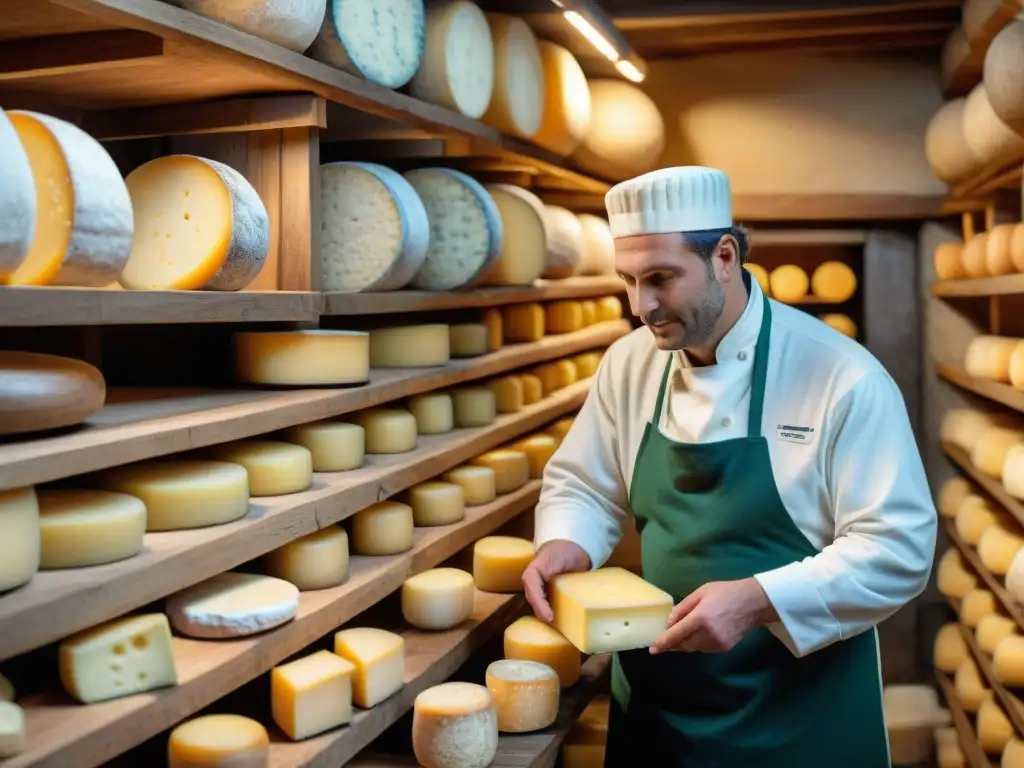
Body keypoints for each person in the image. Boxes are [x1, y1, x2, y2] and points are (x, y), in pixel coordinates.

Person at [521, 166, 936, 766]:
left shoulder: (843, 377)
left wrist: (758, 599)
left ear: (723, 255)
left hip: (800, 722)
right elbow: (585, 482)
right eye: (629, 281)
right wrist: (568, 539)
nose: (643, 306)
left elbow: (897, 548)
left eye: (661, 278)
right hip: (660, 712)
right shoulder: (628, 363)